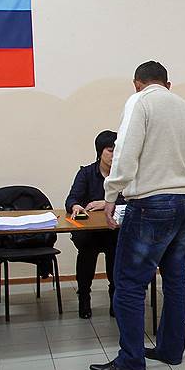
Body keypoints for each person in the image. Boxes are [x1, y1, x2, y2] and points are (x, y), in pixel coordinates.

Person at [89, 61, 185, 370]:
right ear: (168, 84)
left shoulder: (140, 102)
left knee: (129, 284)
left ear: (137, 83)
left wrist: (110, 196)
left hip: (152, 203)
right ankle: (171, 350)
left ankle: (131, 359)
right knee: (175, 280)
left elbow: (124, 153)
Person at [65, 130, 122, 319]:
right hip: (90, 233)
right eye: (110, 150)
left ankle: (115, 298)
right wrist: (76, 206)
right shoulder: (86, 173)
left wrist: (108, 203)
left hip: (114, 229)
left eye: (118, 150)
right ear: (100, 151)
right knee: (87, 252)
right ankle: (84, 298)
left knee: (116, 254)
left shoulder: (123, 174)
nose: (115, 155)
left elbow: (134, 199)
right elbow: (71, 199)